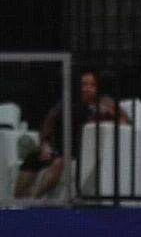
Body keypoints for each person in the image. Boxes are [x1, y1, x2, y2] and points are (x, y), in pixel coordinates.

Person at [14, 69, 127, 198]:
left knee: (59, 162)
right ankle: (16, 201)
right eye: (84, 84)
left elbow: (125, 121)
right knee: (31, 158)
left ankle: (32, 199)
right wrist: (45, 145)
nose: (88, 88)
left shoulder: (104, 102)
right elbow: (48, 123)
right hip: (58, 146)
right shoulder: (68, 102)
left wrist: (107, 114)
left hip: (79, 149)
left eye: (92, 85)